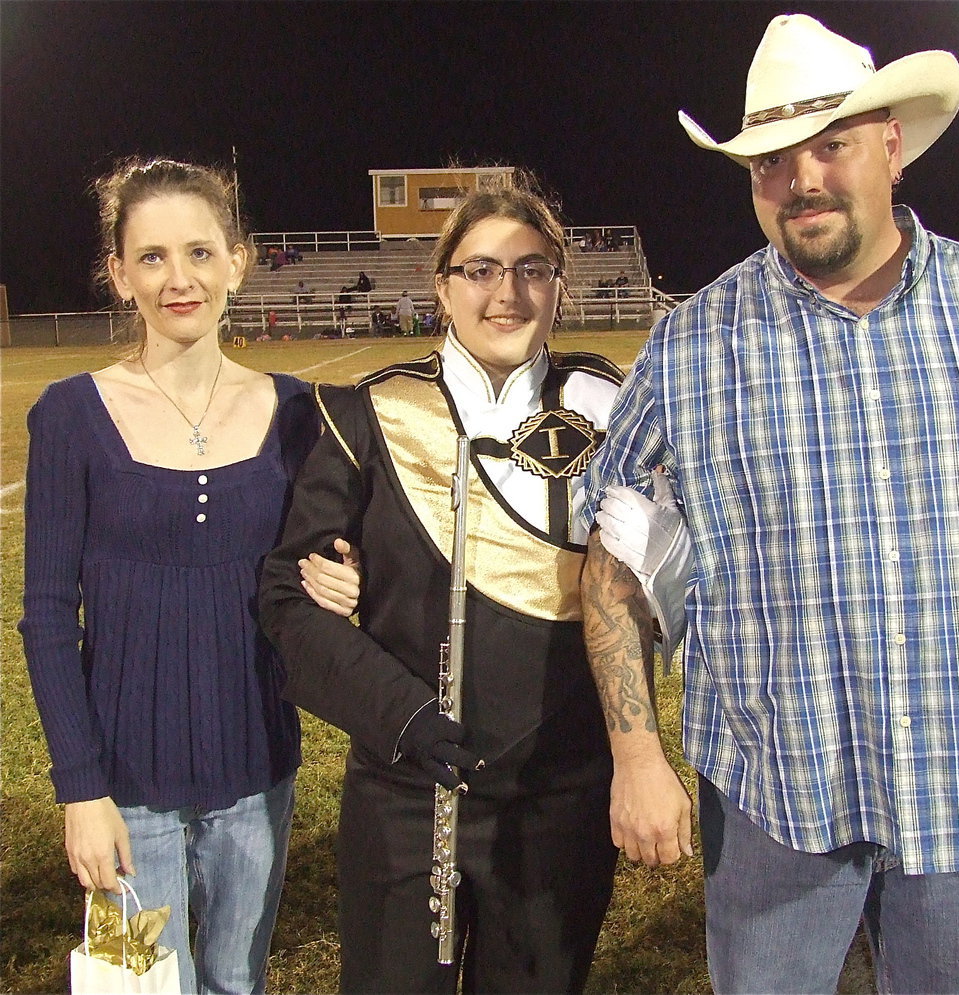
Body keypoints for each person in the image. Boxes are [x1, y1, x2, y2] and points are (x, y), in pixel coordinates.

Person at [580, 14, 959, 995]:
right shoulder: (691, 345)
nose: (801, 179)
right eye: (772, 158)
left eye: (832, 144)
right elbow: (607, 563)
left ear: (892, 146)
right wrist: (636, 750)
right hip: (773, 799)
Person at [258, 175, 684, 995]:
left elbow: (659, 583)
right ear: (443, 285)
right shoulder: (368, 414)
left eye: (532, 268)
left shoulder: (614, 405)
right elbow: (287, 598)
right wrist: (404, 715)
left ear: (559, 284)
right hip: (404, 793)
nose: (507, 293)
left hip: (557, 796)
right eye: (481, 270)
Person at [19, 157, 359, 995]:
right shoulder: (72, 416)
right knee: (141, 989)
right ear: (119, 273)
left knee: (237, 981)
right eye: (154, 257)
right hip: (123, 784)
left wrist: (342, 584)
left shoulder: (295, 413)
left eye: (201, 253)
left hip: (258, 768)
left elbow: (319, 567)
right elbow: (47, 616)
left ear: (239, 261)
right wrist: (81, 790)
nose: (181, 279)